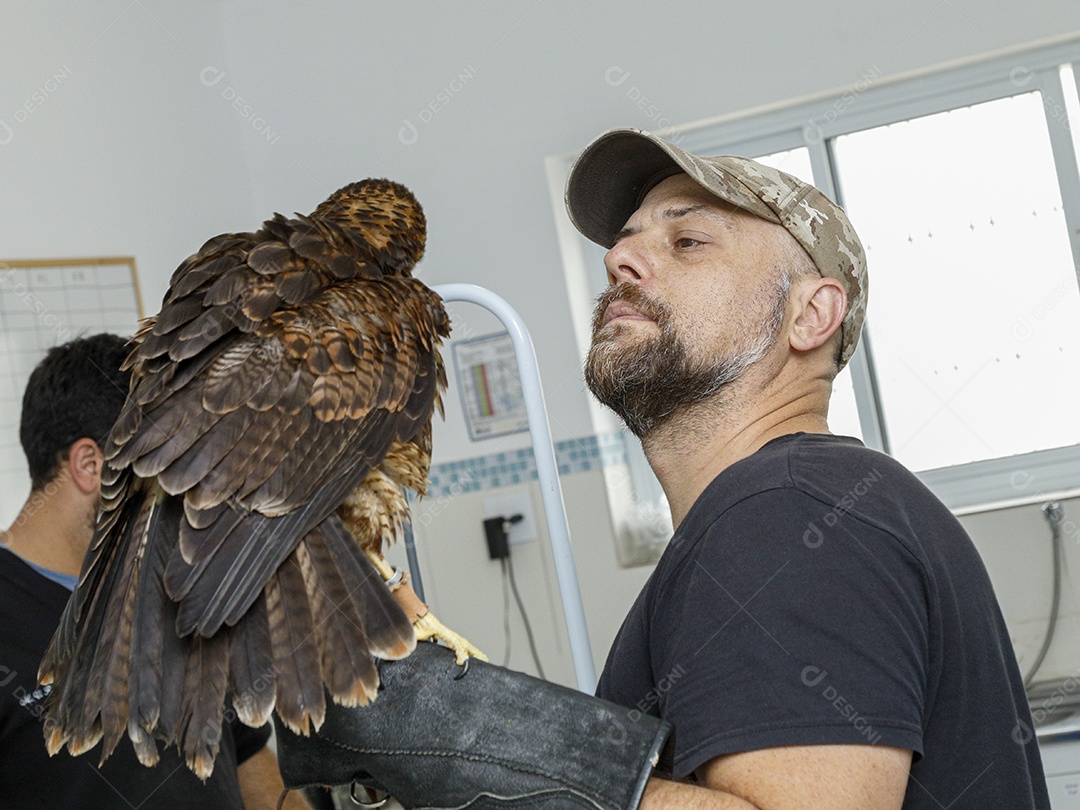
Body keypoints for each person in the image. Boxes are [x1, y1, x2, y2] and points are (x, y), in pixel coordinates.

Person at [562, 127, 1051, 809]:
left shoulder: (785, 514)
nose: (619, 259)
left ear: (810, 314)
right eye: (625, 240)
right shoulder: (793, 505)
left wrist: (521, 763)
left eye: (687, 241)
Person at [0, 333, 308, 809]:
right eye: (171, 464)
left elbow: (244, 757)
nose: (193, 493)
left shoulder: (177, 591)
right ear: (92, 465)